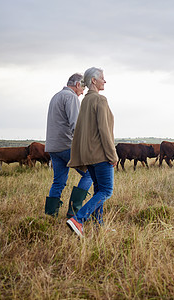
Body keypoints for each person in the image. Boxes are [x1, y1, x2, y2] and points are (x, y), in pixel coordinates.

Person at [66, 67, 118, 237]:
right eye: (102, 78)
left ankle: (99, 225)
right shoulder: (100, 100)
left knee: (98, 189)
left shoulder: (85, 100)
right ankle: (78, 219)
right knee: (106, 191)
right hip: (101, 154)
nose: (105, 81)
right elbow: (104, 130)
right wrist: (113, 155)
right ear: (94, 81)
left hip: (89, 155)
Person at [45, 73, 93, 218]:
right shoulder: (71, 97)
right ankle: (74, 211)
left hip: (53, 147)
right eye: (83, 88)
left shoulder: (56, 96)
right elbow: (76, 125)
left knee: (58, 181)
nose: (83, 92)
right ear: (78, 84)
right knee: (91, 173)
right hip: (67, 146)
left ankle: (50, 214)